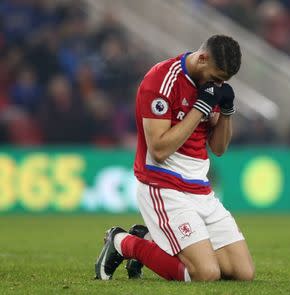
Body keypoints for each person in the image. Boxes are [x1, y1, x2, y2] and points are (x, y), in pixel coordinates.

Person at [94, 35, 255, 282]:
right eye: (216, 78)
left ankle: (148, 238)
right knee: (205, 273)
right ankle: (123, 242)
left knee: (242, 273)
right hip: (163, 186)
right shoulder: (161, 80)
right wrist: (200, 108)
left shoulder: (211, 86)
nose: (218, 85)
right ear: (202, 58)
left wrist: (226, 112)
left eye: (224, 82)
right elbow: (158, 149)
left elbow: (219, 148)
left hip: (200, 189)